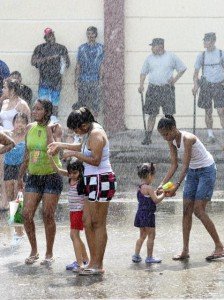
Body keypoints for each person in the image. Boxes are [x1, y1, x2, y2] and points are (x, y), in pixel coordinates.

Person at [48, 107, 117, 275]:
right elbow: (82, 146)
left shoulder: (96, 134)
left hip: (102, 180)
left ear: (85, 124)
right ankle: (92, 261)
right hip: (91, 180)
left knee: (98, 223)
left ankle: (97, 264)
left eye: (77, 129)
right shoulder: (89, 133)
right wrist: (60, 144)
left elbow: (95, 160)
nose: (76, 132)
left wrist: (73, 154)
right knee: (87, 221)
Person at [157, 115, 224, 260]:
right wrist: (161, 184)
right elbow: (174, 165)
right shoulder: (171, 140)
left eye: (167, 134)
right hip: (193, 171)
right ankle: (185, 250)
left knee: (198, 210)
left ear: (174, 128)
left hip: (206, 170)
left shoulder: (187, 139)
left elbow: (184, 166)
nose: (165, 137)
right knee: (186, 209)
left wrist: (176, 186)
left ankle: (219, 246)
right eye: (163, 135)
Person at [17, 99, 63, 265]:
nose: (33, 112)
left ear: (47, 111)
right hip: (34, 176)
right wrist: (19, 177)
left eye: (38, 109)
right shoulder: (30, 128)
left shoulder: (56, 127)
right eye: (34, 109)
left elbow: (53, 148)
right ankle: (34, 250)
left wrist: (49, 131)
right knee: (26, 214)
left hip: (52, 175)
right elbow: (27, 154)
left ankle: (49, 252)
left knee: (47, 214)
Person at [138, 38, 186, 145]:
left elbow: (182, 68)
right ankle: (148, 137)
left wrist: (174, 80)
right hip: (153, 89)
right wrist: (141, 85)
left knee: (168, 115)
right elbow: (143, 73)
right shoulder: (149, 58)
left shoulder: (171, 57)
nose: (151, 48)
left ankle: (173, 137)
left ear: (160, 46)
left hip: (166, 89)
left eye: (153, 46)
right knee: (152, 114)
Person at [48, 156, 89, 272]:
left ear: (81, 170)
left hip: (79, 211)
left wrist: (86, 214)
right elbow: (58, 170)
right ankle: (85, 259)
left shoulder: (82, 181)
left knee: (74, 235)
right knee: (74, 236)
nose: (71, 175)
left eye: (74, 173)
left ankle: (80, 264)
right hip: (73, 212)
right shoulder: (72, 177)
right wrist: (50, 158)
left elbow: (86, 199)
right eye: (70, 173)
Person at [0, 78, 30, 210]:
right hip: (5, 139)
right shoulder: (4, 102)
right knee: (4, 174)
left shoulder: (22, 104)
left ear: (12, 90)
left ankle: (19, 218)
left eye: (5, 87)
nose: (2, 89)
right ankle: (4, 200)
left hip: (19, 142)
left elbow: (28, 124)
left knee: (19, 182)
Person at [31, 27, 70, 122]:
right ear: (45, 37)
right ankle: (41, 124)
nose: (51, 37)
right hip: (44, 82)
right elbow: (33, 62)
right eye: (49, 35)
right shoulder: (40, 48)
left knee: (55, 106)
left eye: (52, 34)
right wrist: (49, 58)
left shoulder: (61, 48)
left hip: (56, 82)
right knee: (41, 105)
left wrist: (64, 61)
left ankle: (54, 125)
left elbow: (68, 64)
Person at [192, 32, 224, 144]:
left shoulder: (221, 54)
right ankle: (210, 135)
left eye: (207, 40)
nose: (204, 43)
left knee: (221, 111)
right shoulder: (201, 55)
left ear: (213, 41)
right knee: (208, 111)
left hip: (219, 85)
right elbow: (195, 73)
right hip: (206, 86)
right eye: (204, 40)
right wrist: (195, 85)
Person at [132, 162, 165, 264]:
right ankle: (149, 257)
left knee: (142, 236)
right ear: (149, 175)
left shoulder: (140, 187)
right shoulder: (149, 188)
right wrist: (164, 194)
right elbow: (155, 200)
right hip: (148, 215)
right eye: (153, 176)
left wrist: (156, 193)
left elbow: (149, 196)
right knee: (151, 236)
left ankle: (136, 255)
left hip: (140, 214)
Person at [4, 113, 28, 245]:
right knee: (10, 199)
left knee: (18, 200)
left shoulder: (27, 136)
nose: (20, 124)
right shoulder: (7, 134)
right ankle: (17, 229)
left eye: (23, 122)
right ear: (13, 123)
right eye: (17, 121)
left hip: (21, 168)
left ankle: (19, 233)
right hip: (9, 167)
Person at [74, 26, 104, 117]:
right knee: (83, 105)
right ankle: (84, 125)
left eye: (92, 33)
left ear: (96, 34)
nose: (90, 36)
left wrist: (101, 80)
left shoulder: (101, 48)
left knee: (95, 105)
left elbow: (102, 66)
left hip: (95, 80)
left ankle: (94, 125)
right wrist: (76, 80)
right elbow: (78, 65)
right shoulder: (82, 48)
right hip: (83, 80)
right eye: (88, 34)